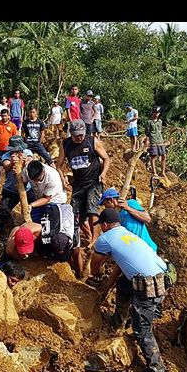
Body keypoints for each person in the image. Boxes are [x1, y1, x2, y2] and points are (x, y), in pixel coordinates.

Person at [90, 208, 170, 372]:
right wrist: (107, 286)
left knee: (142, 329)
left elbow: (95, 263)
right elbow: (121, 266)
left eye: (101, 225)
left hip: (149, 285)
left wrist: (96, 274)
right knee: (123, 285)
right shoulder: (126, 233)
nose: (101, 228)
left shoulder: (105, 238)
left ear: (104, 225)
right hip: (163, 276)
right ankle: (118, 320)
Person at [58, 119, 111, 278]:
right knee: (75, 215)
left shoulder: (92, 141)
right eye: (76, 136)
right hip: (78, 184)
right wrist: (63, 178)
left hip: (94, 181)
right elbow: (59, 165)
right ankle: (83, 238)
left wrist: (103, 173)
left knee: (91, 209)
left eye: (81, 135)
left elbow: (106, 159)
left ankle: (94, 240)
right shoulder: (66, 144)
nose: (79, 138)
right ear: (71, 134)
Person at [0, 137, 36, 240]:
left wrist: (24, 161)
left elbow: (30, 161)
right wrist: (13, 162)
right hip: (10, 190)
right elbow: (6, 167)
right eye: (13, 150)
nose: (15, 153)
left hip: (27, 189)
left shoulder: (27, 153)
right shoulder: (6, 156)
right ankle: (4, 236)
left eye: (18, 150)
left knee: (35, 210)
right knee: (3, 212)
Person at [98, 187, 157, 251]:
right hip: (136, 252)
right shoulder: (114, 218)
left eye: (105, 204)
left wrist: (127, 208)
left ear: (112, 200)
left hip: (148, 248)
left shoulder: (131, 203)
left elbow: (147, 218)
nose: (105, 207)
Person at [22, 158, 67, 223]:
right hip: (39, 197)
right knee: (34, 219)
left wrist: (31, 205)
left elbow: (46, 199)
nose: (35, 182)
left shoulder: (52, 178)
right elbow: (23, 183)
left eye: (38, 179)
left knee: (49, 222)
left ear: (43, 171)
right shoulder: (27, 170)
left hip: (55, 200)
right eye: (33, 180)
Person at [0, 109, 18, 184]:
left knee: (9, 166)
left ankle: (9, 181)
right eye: (2, 116)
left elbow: (15, 137)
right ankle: (0, 181)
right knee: (0, 166)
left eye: (5, 116)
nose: (4, 117)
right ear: (0, 116)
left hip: (9, 149)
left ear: (8, 116)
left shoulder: (13, 126)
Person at [144, 106, 167, 178]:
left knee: (164, 156)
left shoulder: (160, 122)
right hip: (153, 141)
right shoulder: (149, 122)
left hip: (160, 141)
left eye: (157, 113)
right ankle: (154, 172)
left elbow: (160, 131)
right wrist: (147, 141)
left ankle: (163, 172)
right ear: (152, 113)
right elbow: (147, 133)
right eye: (154, 112)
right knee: (153, 157)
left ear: (159, 113)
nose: (156, 114)